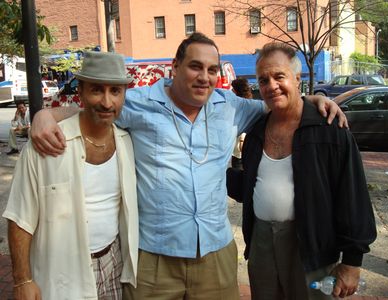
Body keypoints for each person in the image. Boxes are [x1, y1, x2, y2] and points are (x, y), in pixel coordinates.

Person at [29, 33, 347, 300]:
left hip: (215, 255)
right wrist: (44, 116)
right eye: (195, 67)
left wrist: (314, 100)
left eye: (211, 69)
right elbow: (91, 111)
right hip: (155, 259)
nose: (204, 76)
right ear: (175, 67)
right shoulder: (139, 103)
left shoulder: (231, 106)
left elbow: (279, 100)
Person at [227, 43, 377, 300]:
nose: (271, 85)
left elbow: (353, 196)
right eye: (263, 80)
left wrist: (352, 261)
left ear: (297, 79)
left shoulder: (328, 128)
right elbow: (249, 187)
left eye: (279, 76)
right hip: (262, 246)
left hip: (311, 248)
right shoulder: (256, 130)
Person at [3, 51, 139, 300]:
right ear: (82, 93)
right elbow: (19, 217)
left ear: (124, 95)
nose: (107, 102)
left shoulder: (126, 142)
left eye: (115, 91)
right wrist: (23, 280)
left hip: (113, 264)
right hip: (61, 274)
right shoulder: (46, 145)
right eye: (97, 90)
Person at [231, 78, 253, 169]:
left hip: (239, 147)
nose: (231, 91)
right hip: (246, 147)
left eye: (232, 89)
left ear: (236, 91)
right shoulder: (251, 103)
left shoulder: (237, 106)